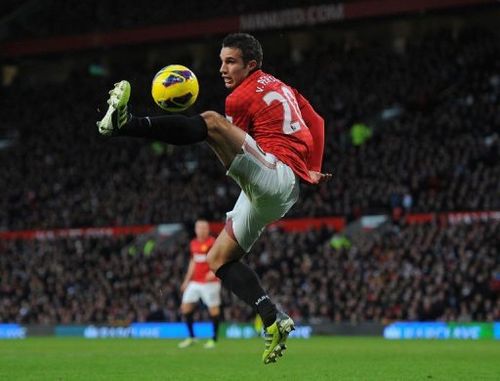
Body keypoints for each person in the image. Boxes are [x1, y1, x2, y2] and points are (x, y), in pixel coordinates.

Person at [97, 33, 330, 364]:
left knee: (210, 123)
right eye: (221, 61)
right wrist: (314, 169)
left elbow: (227, 145)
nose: (222, 68)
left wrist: (207, 133)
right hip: (282, 189)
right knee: (219, 259)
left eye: (230, 62)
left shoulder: (239, 98)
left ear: (251, 65)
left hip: (275, 174)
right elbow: (317, 122)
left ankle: (127, 123)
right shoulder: (283, 86)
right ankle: (273, 318)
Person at [178, 219, 221, 349]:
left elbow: (220, 258)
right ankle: (192, 337)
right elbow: (193, 262)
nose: (201, 230)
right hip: (195, 282)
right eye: (199, 228)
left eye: (204, 228)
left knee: (213, 310)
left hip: (210, 282)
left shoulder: (213, 243)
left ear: (208, 229)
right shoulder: (193, 243)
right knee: (185, 307)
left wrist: (214, 272)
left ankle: (214, 339)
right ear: (196, 229)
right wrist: (186, 280)